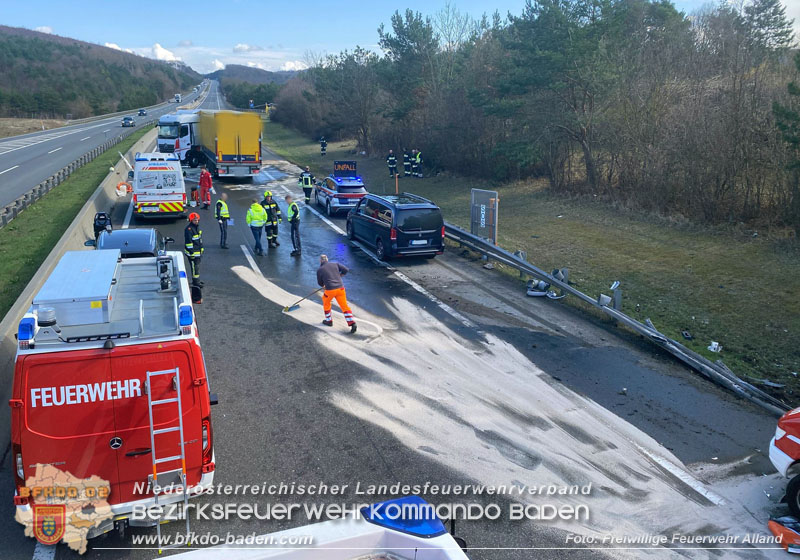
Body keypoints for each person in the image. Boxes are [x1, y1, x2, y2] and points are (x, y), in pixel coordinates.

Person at [316, 254, 356, 333]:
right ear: (327, 259)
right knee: (344, 306)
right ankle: (352, 323)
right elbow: (346, 269)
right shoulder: (335, 264)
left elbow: (320, 282)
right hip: (340, 289)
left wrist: (324, 286)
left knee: (326, 302)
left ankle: (329, 321)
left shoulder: (320, 270)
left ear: (320, 261)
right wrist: (340, 275)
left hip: (330, 290)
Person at [184, 213, 203, 286]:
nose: (196, 221)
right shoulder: (189, 229)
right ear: (191, 220)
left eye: (197, 220)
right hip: (192, 253)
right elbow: (189, 242)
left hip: (197, 252)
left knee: (196, 267)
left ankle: (197, 281)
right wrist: (191, 253)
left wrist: (201, 248)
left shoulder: (196, 228)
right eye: (195, 220)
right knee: (195, 268)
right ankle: (196, 283)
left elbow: (199, 239)